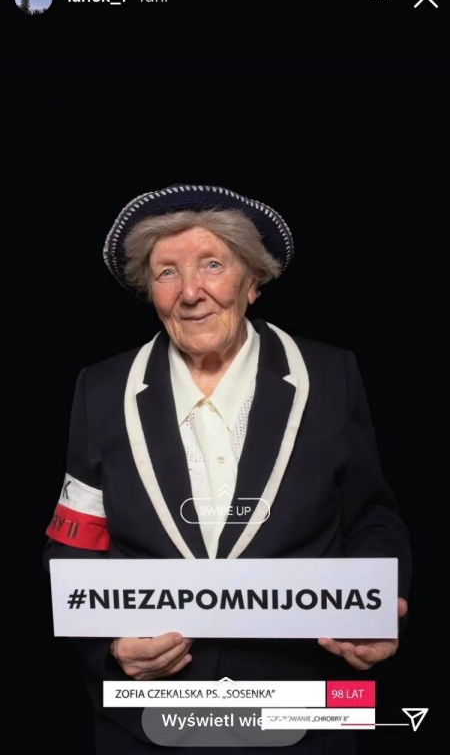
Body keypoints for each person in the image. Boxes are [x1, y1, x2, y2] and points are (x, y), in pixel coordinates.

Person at [43, 183, 412, 754]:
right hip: (147, 720)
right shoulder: (101, 389)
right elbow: (74, 542)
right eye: (167, 272)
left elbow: (371, 518)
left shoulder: (329, 376)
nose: (190, 292)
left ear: (252, 281)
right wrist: (109, 645)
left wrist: (374, 607)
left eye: (212, 265)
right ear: (150, 290)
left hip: (302, 713)